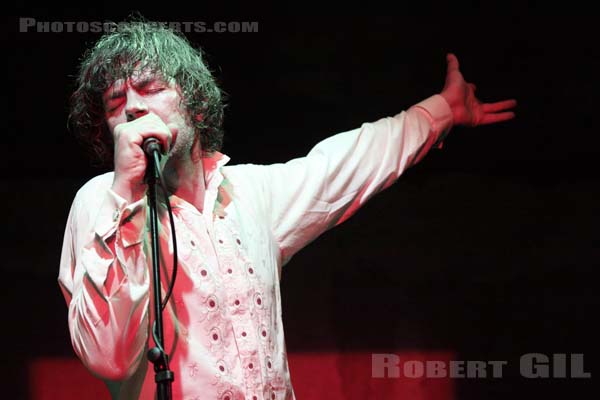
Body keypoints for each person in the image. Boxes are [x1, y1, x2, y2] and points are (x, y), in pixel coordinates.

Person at [58, 20, 516, 400]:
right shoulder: (102, 201)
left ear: (195, 107)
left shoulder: (250, 194)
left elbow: (345, 164)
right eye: (116, 103)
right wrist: (124, 193)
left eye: (150, 88)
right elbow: (108, 356)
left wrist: (442, 110)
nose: (134, 107)